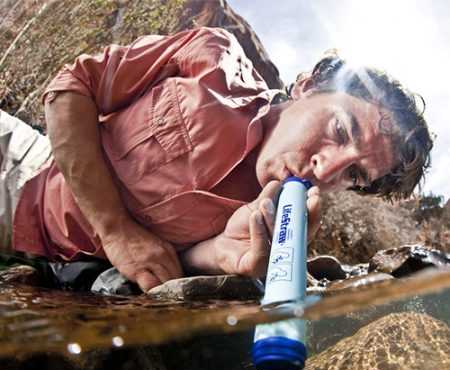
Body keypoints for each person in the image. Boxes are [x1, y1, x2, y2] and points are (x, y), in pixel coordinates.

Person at [0, 27, 433, 292]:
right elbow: (71, 86)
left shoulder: (271, 220)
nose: (325, 170)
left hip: (55, 264)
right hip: (24, 173)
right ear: (309, 84)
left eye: (354, 173)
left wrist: (222, 259)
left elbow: (169, 262)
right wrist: (114, 228)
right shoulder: (212, 57)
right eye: (340, 130)